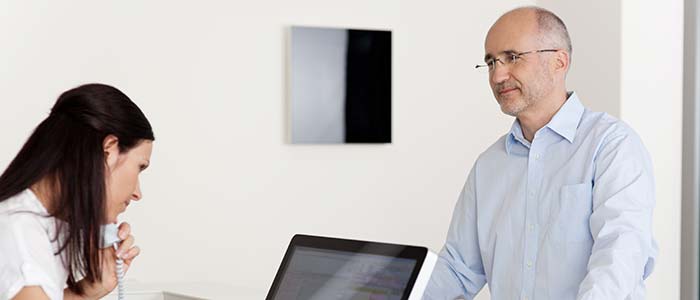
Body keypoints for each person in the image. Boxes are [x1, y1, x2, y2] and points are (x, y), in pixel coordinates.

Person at [423, 6, 657, 300]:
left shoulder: (611, 146)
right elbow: (458, 269)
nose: (497, 75)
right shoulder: (489, 165)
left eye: (512, 57)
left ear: (559, 61)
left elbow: (619, 259)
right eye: (491, 62)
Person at [0, 83, 154, 299]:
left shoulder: (40, 225)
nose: (137, 193)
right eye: (140, 167)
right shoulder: (18, 233)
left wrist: (86, 291)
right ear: (108, 150)